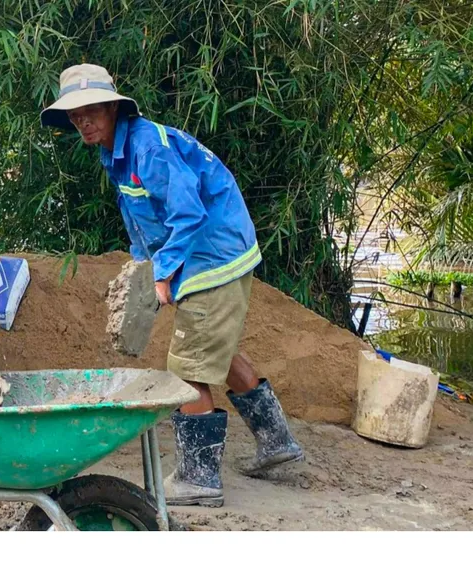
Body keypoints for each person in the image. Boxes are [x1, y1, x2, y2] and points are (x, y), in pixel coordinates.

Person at [40, 64, 305, 507]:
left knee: (186, 368)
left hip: (211, 256)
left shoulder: (148, 148)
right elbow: (143, 220)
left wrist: (162, 274)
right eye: (75, 115)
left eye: (91, 111)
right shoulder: (118, 152)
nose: (83, 121)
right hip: (209, 255)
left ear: (113, 108)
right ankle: (277, 442)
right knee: (213, 348)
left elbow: (189, 213)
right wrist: (144, 271)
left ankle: (199, 480)